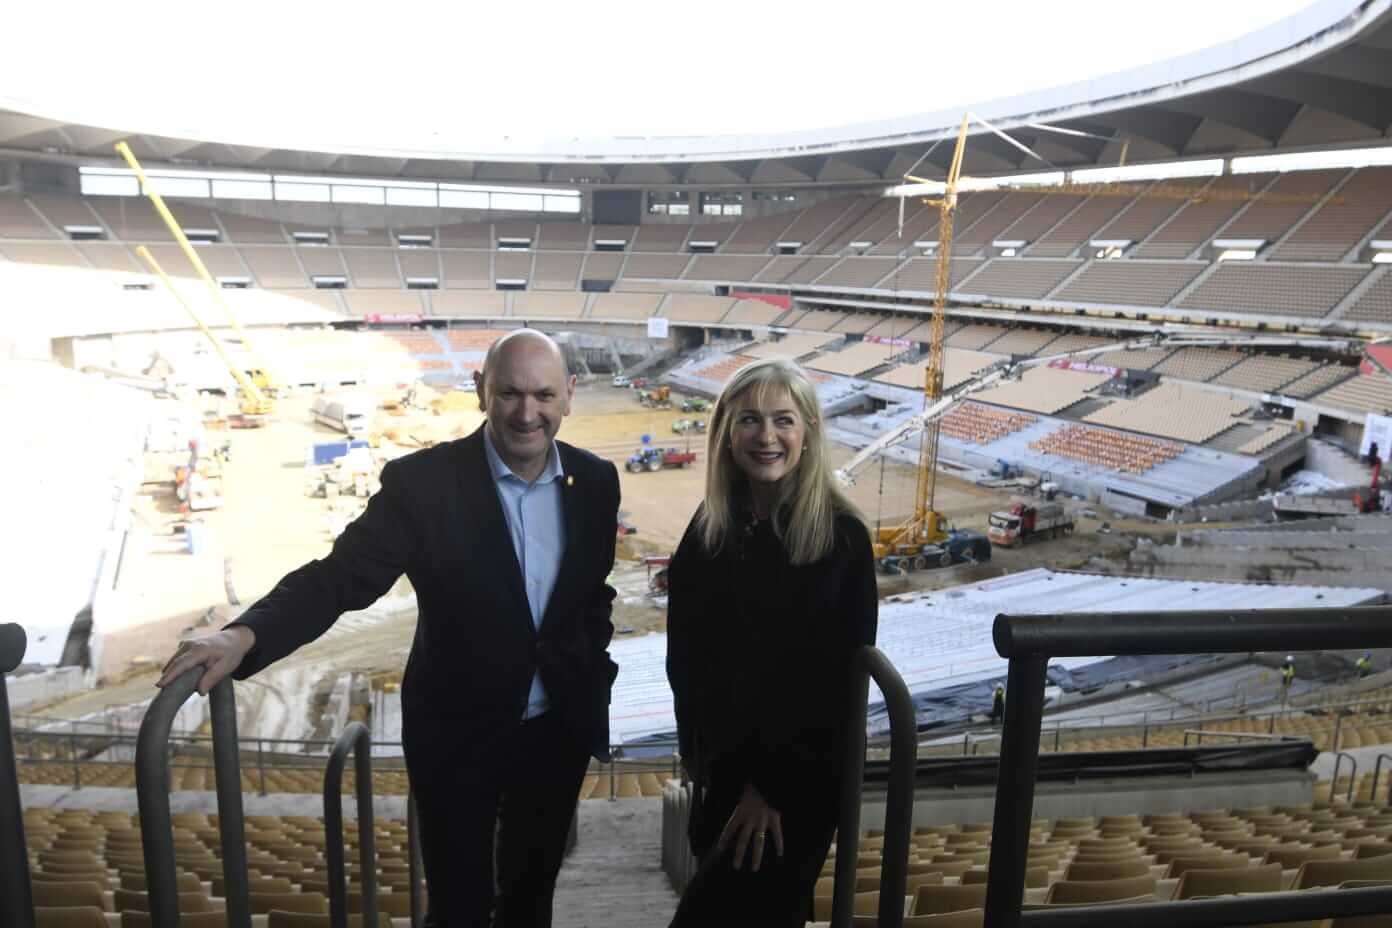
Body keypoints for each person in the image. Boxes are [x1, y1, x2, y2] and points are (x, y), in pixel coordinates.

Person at [156, 329, 621, 928]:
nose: (526, 413)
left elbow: (593, 595)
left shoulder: (596, 482)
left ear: (569, 396)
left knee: (532, 897)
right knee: (458, 906)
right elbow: (339, 577)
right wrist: (245, 635)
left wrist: (593, 675)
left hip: (555, 734)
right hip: (458, 739)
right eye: (509, 393)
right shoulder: (423, 485)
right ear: (480, 391)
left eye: (543, 395)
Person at [666, 358, 878, 928]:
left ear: (807, 432)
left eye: (783, 420)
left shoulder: (840, 538)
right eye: (750, 420)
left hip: (788, 792)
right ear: (725, 433)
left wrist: (769, 789)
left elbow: (831, 686)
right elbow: (687, 653)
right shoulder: (711, 526)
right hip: (721, 774)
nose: (766, 436)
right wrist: (697, 752)